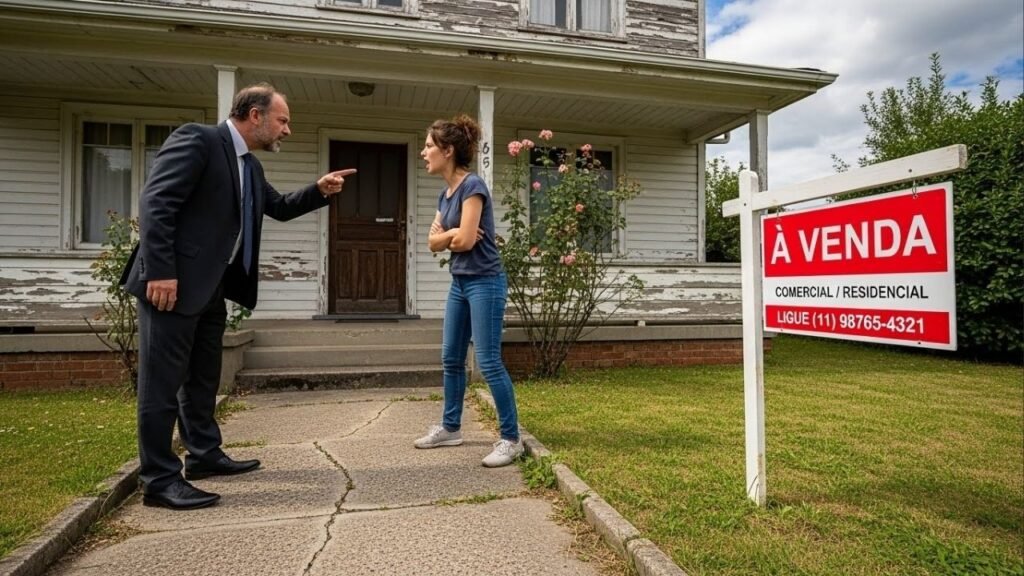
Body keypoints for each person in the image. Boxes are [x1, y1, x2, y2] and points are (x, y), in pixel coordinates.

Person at [120, 83, 356, 510]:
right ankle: (159, 480)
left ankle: (204, 455)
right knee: (161, 385)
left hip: (211, 288)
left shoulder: (250, 166)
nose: (287, 130)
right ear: (255, 115)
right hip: (171, 285)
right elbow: (157, 203)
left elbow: (279, 207)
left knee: (202, 378)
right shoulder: (199, 140)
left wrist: (319, 190)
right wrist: (161, 272)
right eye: (283, 121)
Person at [414, 114, 524, 467]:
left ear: (447, 150)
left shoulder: (472, 186)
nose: (423, 152)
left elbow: (465, 241)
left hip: (485, 281)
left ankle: (511, 439)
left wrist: (450, 236)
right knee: (451, 358)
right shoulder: (445, 194)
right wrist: (451, 234)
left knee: (488, 361)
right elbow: (436, 242)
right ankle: (451, 428)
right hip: (460, 282)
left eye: (428, 146)